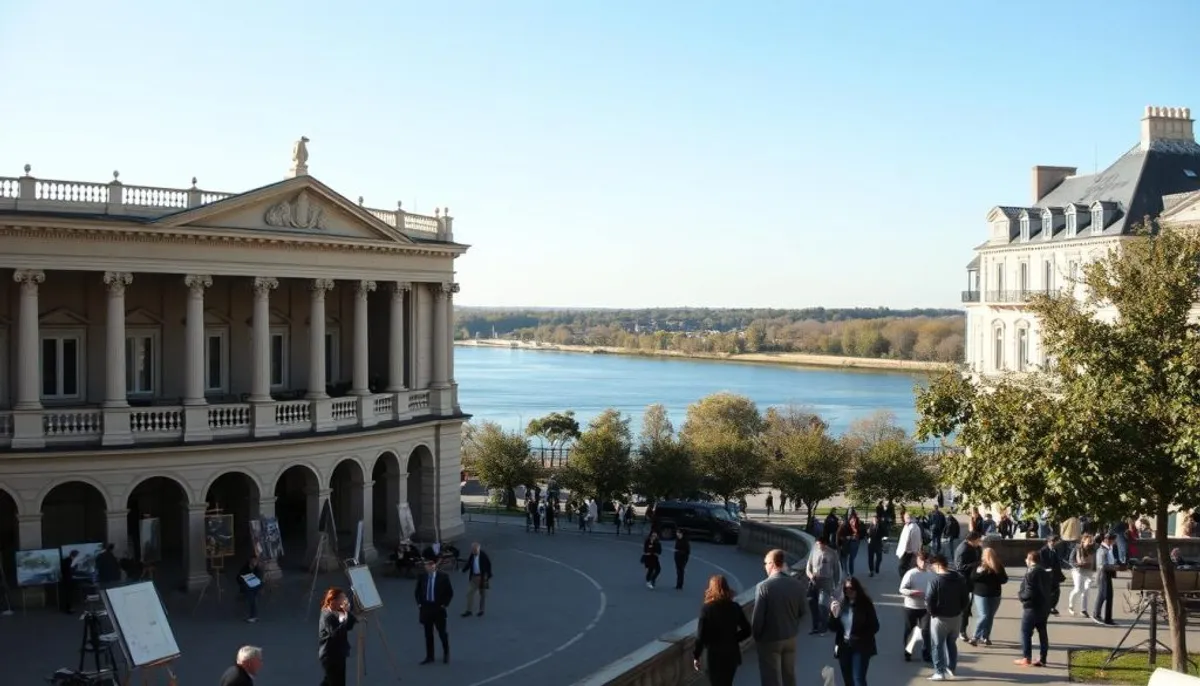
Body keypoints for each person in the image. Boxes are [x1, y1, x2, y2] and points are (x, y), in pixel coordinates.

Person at [751, 548, 805, 686]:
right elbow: (803, 611)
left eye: (766, 563)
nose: (765, 566)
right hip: (790, 637)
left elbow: (758, 618)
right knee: (789, 676)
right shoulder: (797, 584)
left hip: (770, 640)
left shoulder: (764, 587)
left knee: (771, 678)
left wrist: (757, 637)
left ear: (773, 564)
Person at [693, 574, 753, 686]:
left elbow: (700, 636)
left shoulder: (707, 609)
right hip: (731, 654)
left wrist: (696, 655)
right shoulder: (735, 607)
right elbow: (747, 630)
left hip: (713, 655)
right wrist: (733, 639)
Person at [829, 576, 880, 686]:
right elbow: (832, 628)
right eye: (846, 589)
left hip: (861, 647)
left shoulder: (866, 604)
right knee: (848, 680)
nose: (849, 591)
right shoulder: (841, 605)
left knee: (858, 679)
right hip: (844, 647)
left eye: (851, 588)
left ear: (857, 589)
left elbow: (875, 626)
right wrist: (834, 615)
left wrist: (860, 637)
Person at [926, 554, 969, 681]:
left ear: (937, 565)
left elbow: (929, 600)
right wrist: (960, 610)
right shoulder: (959, 578)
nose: (932, 569)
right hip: (956, 617)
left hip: (939, 618)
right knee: (952, 643)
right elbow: (965, 599)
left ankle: (939, 672)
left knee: (937, 645)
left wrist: (932, 612)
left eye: (932, 566)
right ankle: (952, 667)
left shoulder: (935, 581)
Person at [1015, 550, 1054, 667]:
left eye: (1027, 559)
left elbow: (1029, 592)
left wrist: (1021, 596)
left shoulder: (1031, 573)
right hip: (1044, 607)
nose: (1025, 561)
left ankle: (1026, 657)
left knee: (1025, 632)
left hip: (1032, 607)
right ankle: (1043, 658)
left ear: (1030, 559)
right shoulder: (1044, 571)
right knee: (1042, 632)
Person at [415, 557, 453, 664]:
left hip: (438, 608)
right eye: (426, 566)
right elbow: (417, 591)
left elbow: (449, 593)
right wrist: (419, 604)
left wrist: (444, 605)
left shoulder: (443, 577)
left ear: (433, 566)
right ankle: (430, 656)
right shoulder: (422, 577)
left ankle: (446, 653)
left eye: (428, 566)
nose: (426, 568)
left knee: (442, 633)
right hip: (426, 608)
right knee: (428, 634)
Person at [898, 551, 934, 663]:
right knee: (910, 630)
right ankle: (907, 651)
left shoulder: (932, 574)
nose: (923, 563)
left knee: (926, 631)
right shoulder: (911, 574)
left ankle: (926, 653)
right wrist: (912, 592)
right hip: (911, 607)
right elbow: (902, 589)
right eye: (921, 561)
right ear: (917, 561)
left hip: (926, 608)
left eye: (926, 561)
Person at [317, 588, 357, 686]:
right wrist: (344, 618)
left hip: (339, 652)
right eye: (342, 599)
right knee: (336, 681)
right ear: (333, 601)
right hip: (330, 654)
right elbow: (335, 633)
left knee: (330, 680)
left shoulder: (338, 611)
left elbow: (349, 626)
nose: (344, 601)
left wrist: (347, 613)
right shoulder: (327, 615)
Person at [967, 548, 1008, 645]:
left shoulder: (998, 566)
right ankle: (975, 636)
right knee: (984, 615)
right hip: (981, 595)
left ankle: (985, 636)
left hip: (995, 595)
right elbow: (973, 578)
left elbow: (1004, 579)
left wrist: (996, 572)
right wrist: (979, 572)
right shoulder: (979, 565)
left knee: (989, 617)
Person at [805, 537, 838, 636]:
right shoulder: (813, 551)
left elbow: (836, 570)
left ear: (825, 544)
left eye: (821, 545)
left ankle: (823, 628)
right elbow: (808, 567)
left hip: (826, 581)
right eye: (818, 544)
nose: (819, 546)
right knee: (812, 604)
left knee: (822, 605)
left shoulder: (832, 553)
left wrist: (835, 585)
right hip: (814, 581)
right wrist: (810, 575)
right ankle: (815, 627)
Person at [460, 542, 492, 617]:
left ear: (478, 549)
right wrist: (463, 570)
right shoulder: (472, 555)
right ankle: (469, 610)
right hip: (474, 577)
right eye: (472, 549)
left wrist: (488, 576)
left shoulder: (483, 556)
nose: (473, 551)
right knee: (469, 593)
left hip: (482, 577)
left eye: (475, 550)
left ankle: (481, 610)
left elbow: (488, 565)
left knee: (482, 594)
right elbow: (469, 563)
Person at [1037, 535, 1067, 615]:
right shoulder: (1043, 551)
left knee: (1056, 592)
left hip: (1054, 575)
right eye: (1052, 541)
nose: (1054, 543)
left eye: (1055, 541)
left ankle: (1052, 607)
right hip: (1046, 575)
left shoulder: (1055, 550)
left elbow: (1057, 562)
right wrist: (1046, 569)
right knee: (1047, 592)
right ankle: (1045, 607)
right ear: (1048, 542)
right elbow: (1040, 563)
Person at [1068, 533, 1096, 617]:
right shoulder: (1077, 548)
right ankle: (1071, 606)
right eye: (1088, 541)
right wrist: (1078, 564)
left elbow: (1095, 560)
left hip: (1089, 571)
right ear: (1083, 541)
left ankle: (1084, 610)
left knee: (1086, 589)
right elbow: (1071, 560)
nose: (1090, 543)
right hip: (1078, 571)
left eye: (1091, 541)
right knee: (1078, 589)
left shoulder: (1093, 549)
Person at [1093, 533, 1118, 626]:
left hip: (1107, 574)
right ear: (1108, 540)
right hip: (1103, 575)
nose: (1115, 542)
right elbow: (1102, 565)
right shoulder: (1102, 550)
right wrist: (1114, 567)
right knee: (1104, 596)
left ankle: (1105, 617)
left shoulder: (1109, 549)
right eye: (1114, 540)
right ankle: (1099, 615)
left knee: (1106, 596)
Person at [237, 555, 264, 623]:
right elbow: (239, 577)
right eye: (253, 561)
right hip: (247, 586)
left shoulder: (258, 569)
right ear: (250, 561)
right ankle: (252, 615)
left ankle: (253, 616)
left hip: (255, 586)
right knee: (251, 599)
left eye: (256, 561)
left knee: (252, 600)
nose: (255, 563)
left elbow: (260, 579)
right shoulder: (245, 568)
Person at [59, 549, 79, 614]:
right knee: (69, 594)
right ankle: (69, 608)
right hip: (68, 579)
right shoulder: (70, 561)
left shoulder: (65, 560)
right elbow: (70, 570)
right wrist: (75, 568)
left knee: (67, 594)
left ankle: (67, 608)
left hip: (65, 579)